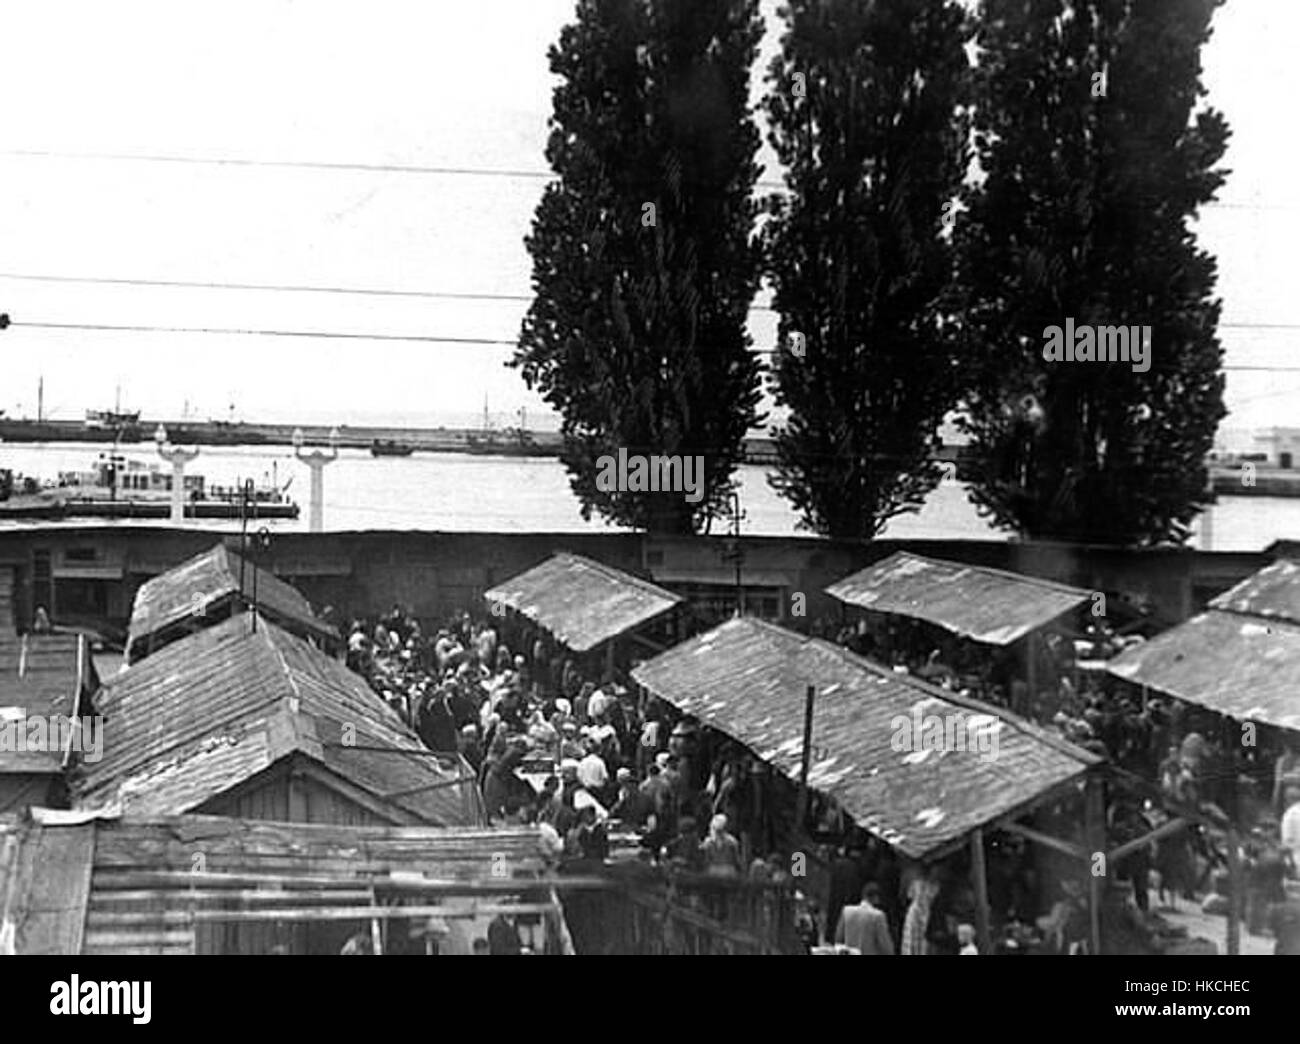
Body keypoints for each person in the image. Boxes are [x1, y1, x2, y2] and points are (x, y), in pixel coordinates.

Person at [835, 882, 894, 955]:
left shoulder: (846, 911)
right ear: (876, 898)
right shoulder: (878, 916)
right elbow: (885, 946)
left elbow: (838, 938)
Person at [700, 813, 742, 878]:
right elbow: (706, 861)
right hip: (716, 873)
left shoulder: (732, 842)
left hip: (726, 872)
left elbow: (736, 860)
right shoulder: (708, 843)